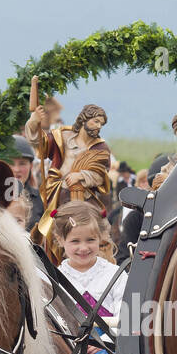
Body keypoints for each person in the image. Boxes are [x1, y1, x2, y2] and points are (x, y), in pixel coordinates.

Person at [53, 201, 123, 354]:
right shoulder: (53, 278)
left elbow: (127, 313)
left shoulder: (115, 275)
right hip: (68, 346)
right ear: (60, 239)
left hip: (106, 346)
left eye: (90, 240)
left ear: (100, 238)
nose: (83, 248)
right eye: (75, 241)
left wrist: (105, 342)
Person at [25, 101, 113, 253]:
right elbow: (40, 144)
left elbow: (101, 175)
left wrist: (81, 175)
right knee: (52, 233)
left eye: (101, 124)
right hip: (58, 195)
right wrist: (34, 122)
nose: (99, 126)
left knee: (88, 229)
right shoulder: (62, 136)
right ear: (84, 119)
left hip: (83, 198)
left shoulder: (100, 148)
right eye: (96, 121)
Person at [8, 134, 44, 231]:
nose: (16, 169)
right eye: (11, 163)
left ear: (31, 166)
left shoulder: (41, 200)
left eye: (22, 163)